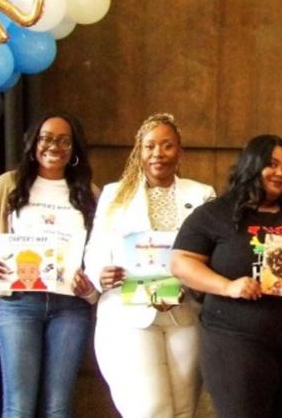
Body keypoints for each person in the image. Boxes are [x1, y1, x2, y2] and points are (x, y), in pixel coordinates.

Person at [170, 134, 282, 418]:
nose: (280, 173)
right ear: (251, 164)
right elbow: (180, 262)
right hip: (236, 342)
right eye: (271, 165)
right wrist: (227, 286)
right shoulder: (215, 213)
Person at [0, 112, 99, 418]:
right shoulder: (8, 185)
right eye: (47, 138)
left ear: (74, 148)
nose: (55, 146)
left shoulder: (90, 193)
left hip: (70, 308)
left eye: (65, 141)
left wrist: (90, 287)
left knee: (58, 407)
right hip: (19, 304)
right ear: (33, 143)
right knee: (19, 407)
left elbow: (100, 253)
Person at [84, 113, 215, 418]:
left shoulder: (201, 195)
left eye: (167, 146)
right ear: (139, 152)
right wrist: (100, 272)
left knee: (184, 411)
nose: (158, 154)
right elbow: (96, 250)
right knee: (150, 410)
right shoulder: (115, 194)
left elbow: (211, 251)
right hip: (128, 315)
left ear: (180, 151)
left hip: (184, 314)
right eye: (150, 146)